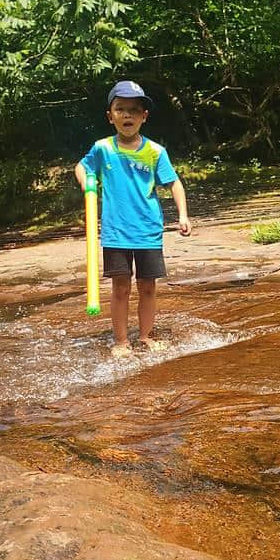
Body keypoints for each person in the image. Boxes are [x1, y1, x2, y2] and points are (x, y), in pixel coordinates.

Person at [75, 80, 191, 358]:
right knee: (121, 287)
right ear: (110, 115)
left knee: (148, 286)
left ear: (144, 116)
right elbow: (81, 166)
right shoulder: (103, 148)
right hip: (116, 232)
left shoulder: (155, 152)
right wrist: (87, 184)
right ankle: (121, 340)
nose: (127, 115)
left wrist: (183, 215)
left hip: (148, 230)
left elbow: (174, 183)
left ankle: (146, 336)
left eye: (134, 110)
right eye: (120, 109)